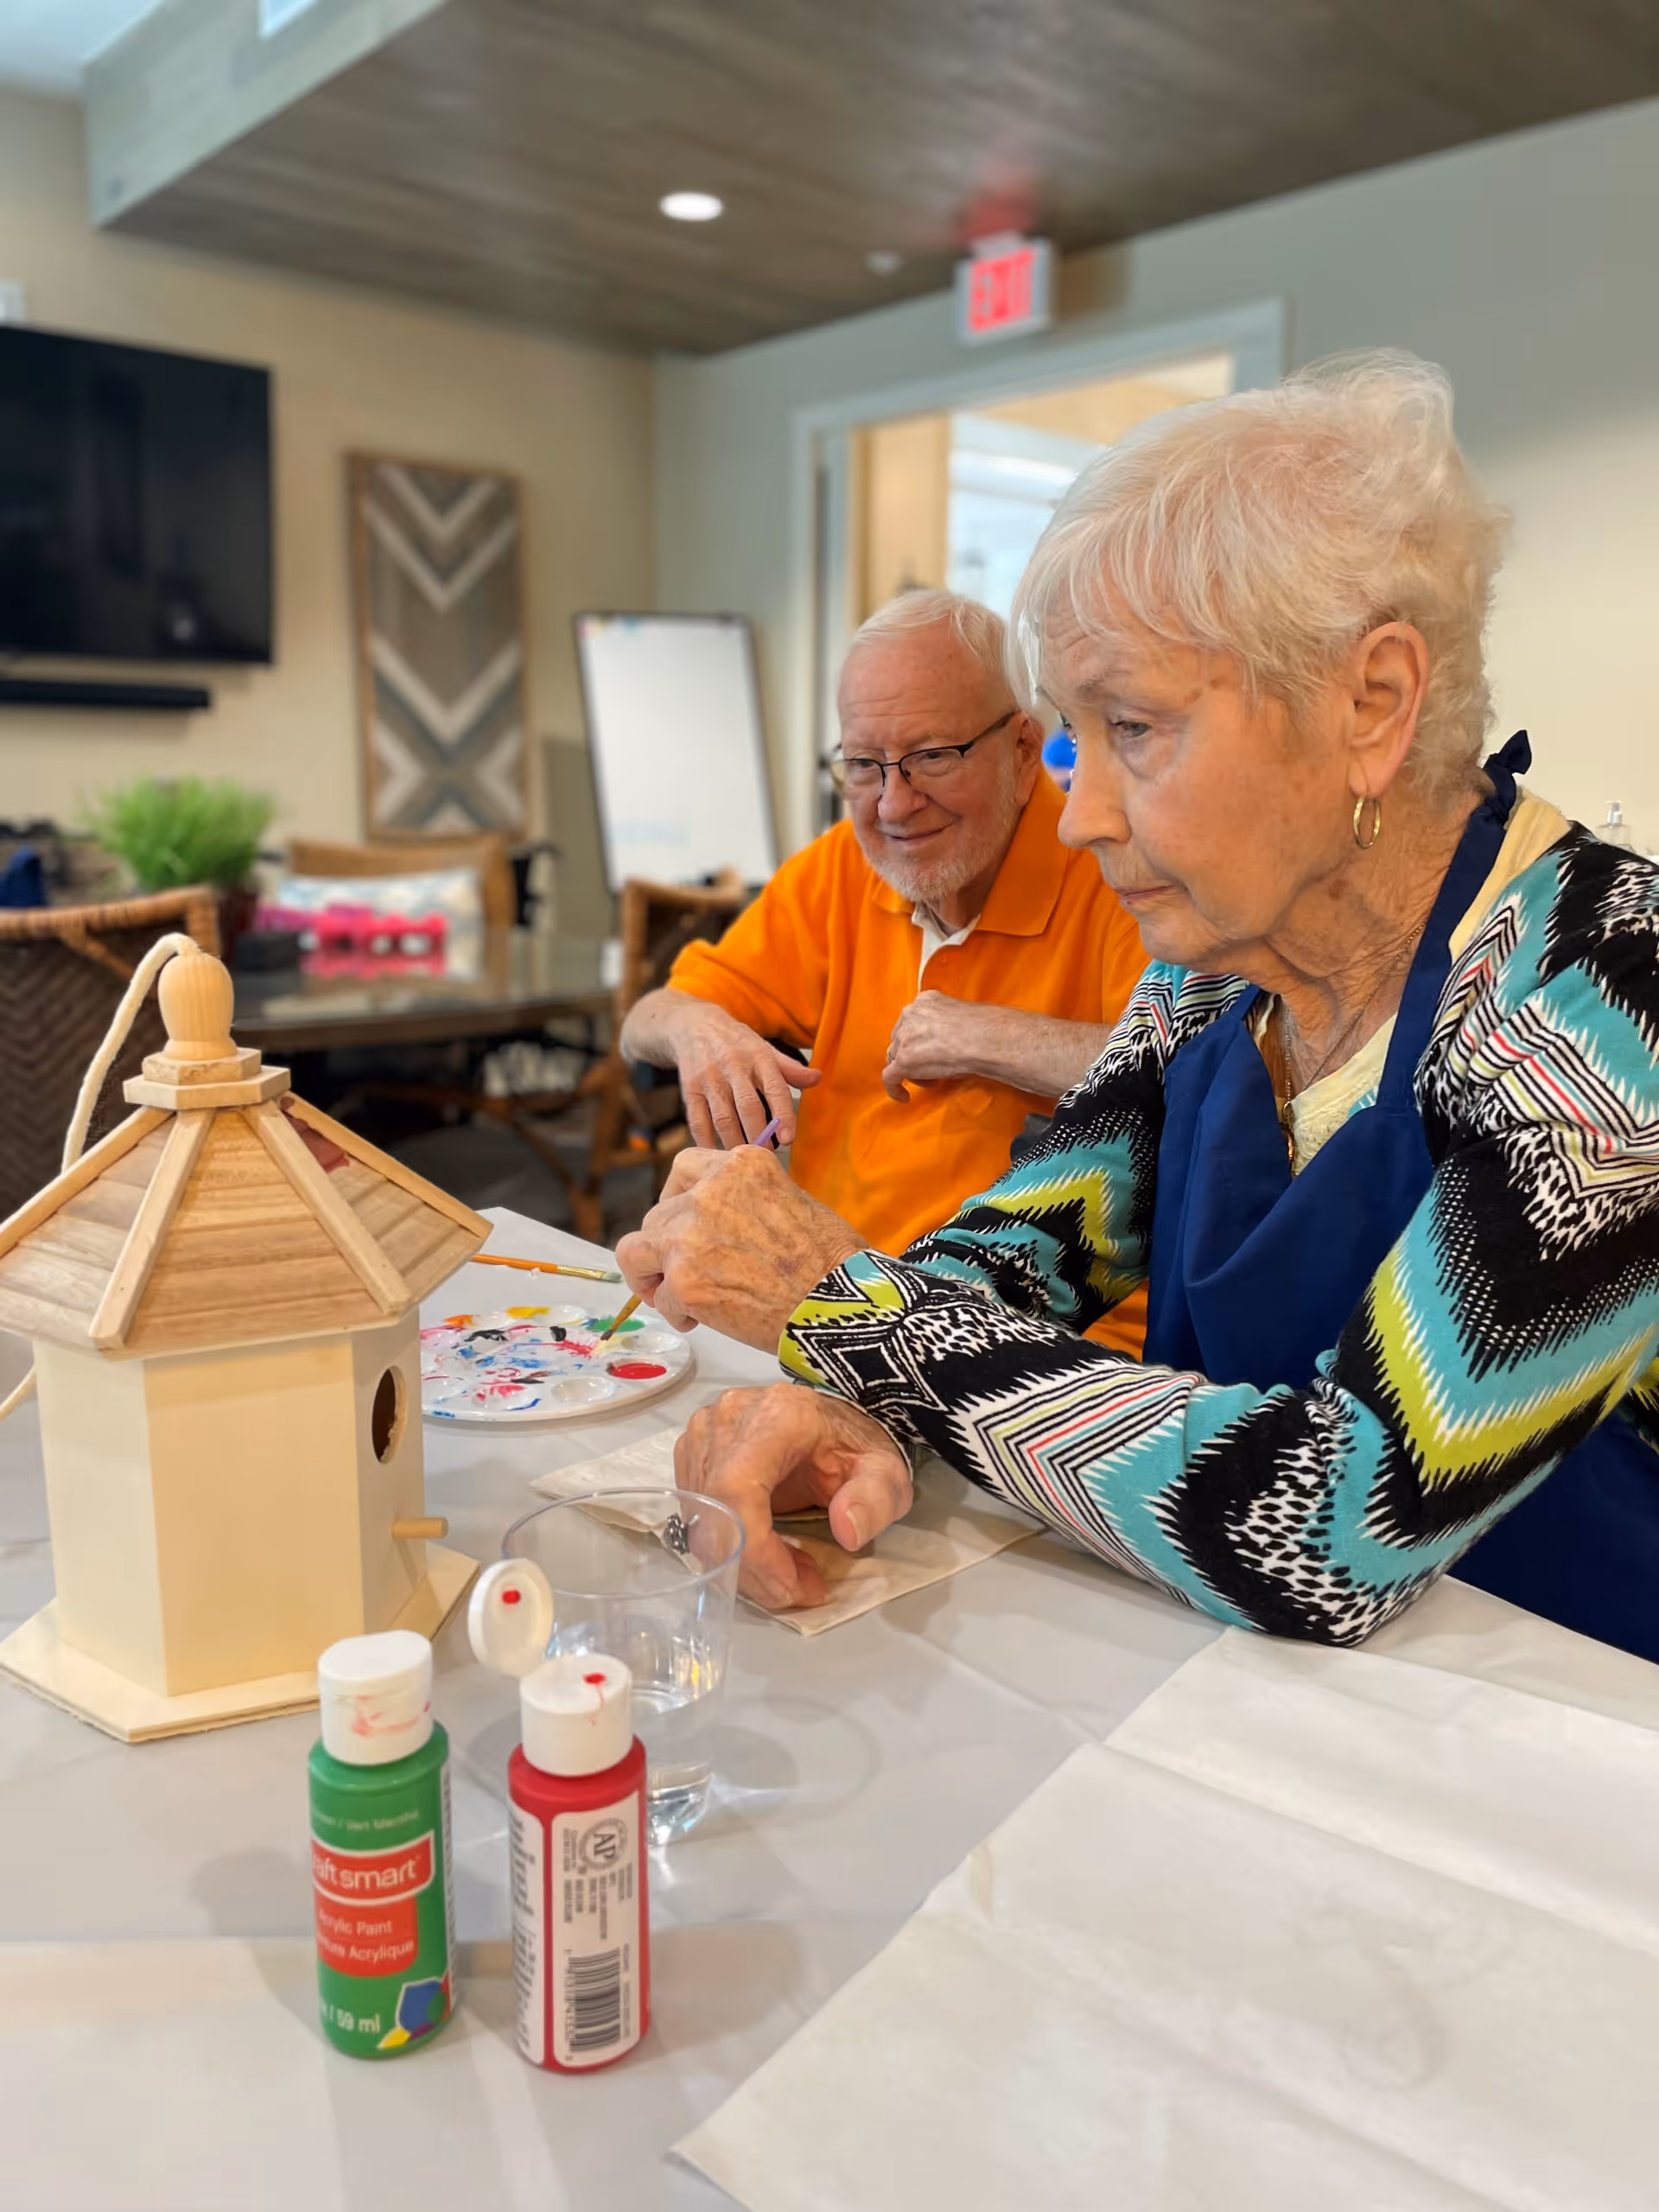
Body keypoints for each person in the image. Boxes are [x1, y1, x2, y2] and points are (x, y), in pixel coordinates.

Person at [617, 353, 1659, 1661]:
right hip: (1248, 1694)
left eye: (1135, 729)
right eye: (1069, 735)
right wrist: (854, 1397)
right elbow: (1028, 1251)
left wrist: (844, 1310)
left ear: (1373, 703)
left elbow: (1331, 1523)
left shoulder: (1609, 988)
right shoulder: (1212, 971)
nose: (1077, 814)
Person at [621, 589, 1149, 1354]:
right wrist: (701, 1028)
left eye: (933, 755)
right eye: (864, 765)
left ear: (1023, 749)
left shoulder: (1115, 871)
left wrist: (989, 1036)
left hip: (1038, 1346)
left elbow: (1195, 1079)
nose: (895, 804)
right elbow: (649, 1019)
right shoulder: (843, 868)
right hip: (823, 1311)